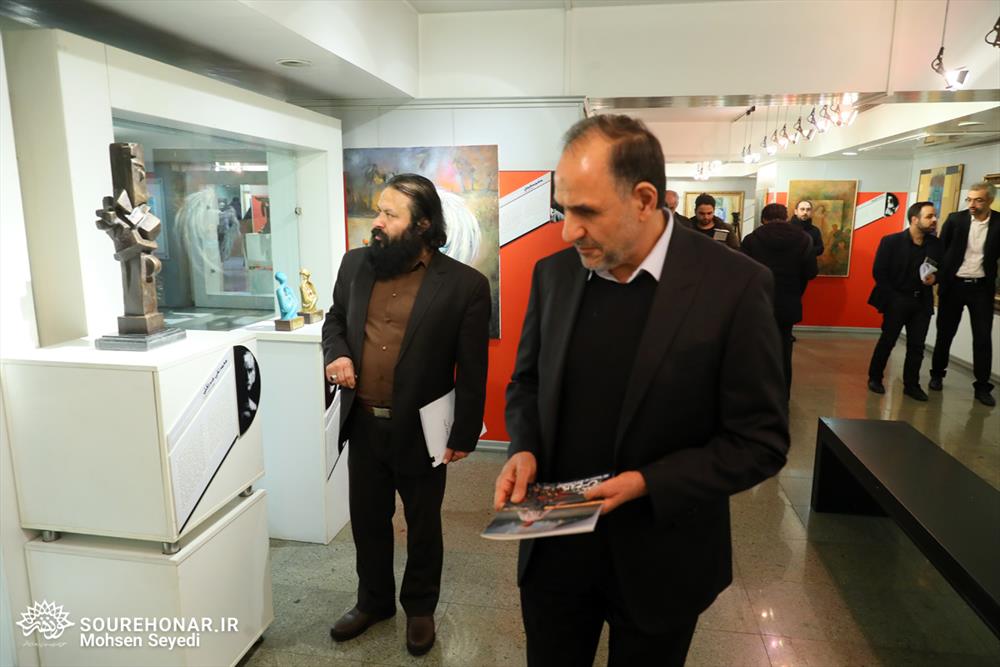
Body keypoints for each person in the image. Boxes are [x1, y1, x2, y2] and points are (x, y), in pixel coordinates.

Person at [494, 115, 789, 667]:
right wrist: (524, 446)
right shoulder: (554, 275)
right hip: (555, 549)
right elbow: (528, 382)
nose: (568, 231)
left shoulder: (734, 284)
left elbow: (760, 442)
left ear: (645, 199)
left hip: (664, 555)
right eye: (563, 210)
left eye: (587, 212)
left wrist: (648, 483)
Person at [321, 173, 491, 655]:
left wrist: (464, 433)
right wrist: (337, 353)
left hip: (422, 428)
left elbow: (473, 368)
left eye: (389, 214)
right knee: (367, 520)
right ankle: (373, 601)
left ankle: (420, 608)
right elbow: (335, 320)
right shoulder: (355, 265)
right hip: (362, 422)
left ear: (421, 224)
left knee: (423, 524)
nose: (376, 221)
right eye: (378, 210)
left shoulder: (465, 285)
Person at [929, 182, 1000, 406]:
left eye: (978, 200)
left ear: (989, 201)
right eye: (969, 199)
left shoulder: (999, 223)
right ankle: (937, 375)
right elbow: (941, 251)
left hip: (981, 288)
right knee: (945, 333)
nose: (972, 204)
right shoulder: (955, 220)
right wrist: (935, 276)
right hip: (954, 285)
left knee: (982, 338)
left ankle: (982, 386)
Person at [866, 201, 942, 401]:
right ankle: (875, 378)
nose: (934, 220)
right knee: (888, 340)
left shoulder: (935, 244)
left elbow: (942, 269)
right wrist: (892, 298)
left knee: (917, 346)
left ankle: (911, 385)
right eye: (929, 216)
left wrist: (935, 278)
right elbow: (879, 272)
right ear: (915, 219)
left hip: (922, 301)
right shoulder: (891, 241)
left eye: (934, 216)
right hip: (897, 299)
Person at [741, 203, 818, 393]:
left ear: (763, 219)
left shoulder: (752, 239)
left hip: (758, 302)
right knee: (784, 350)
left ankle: (757, 393)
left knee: (756, 350)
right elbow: (811, 272)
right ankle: (782, 396)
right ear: (785, 218)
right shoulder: (804, 239)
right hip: (788, 302)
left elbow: (742, 272)